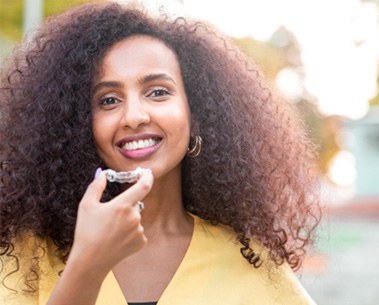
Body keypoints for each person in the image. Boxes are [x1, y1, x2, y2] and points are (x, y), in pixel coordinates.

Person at [0, 2, 321, 304]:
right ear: (79, 124)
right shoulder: (27, 256)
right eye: (108, 100)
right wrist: (87, 266)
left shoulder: (250, 261)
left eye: (158, 92)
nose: (135, 116)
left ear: (195, 114)